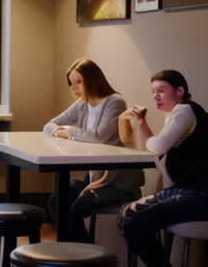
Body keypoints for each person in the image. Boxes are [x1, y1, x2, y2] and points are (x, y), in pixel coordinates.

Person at [117, 70, 208, 267]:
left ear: (180, 91)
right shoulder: (178, 116)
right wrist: (142, 123)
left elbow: (156, 146)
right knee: (127, 214)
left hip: (206, 197)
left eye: (161, 90)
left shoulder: (184, 112)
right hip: (189, 190)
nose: (156, 97)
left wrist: (145, 131)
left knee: (135, 220)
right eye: (153, 92)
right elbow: (159, 155)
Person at [43, 58, 143, 243]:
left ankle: (85, 259)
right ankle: (78, 255)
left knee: (76, 207)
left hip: (118, 183)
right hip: (96, 179)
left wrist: (69, 132)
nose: (75, 88)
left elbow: (99, 136)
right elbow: (49, 125)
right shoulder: (83, 103)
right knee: (56, 200)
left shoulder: (115, 102)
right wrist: (58, 130)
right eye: (71, 84)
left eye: (79, 82)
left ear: (93, 79)